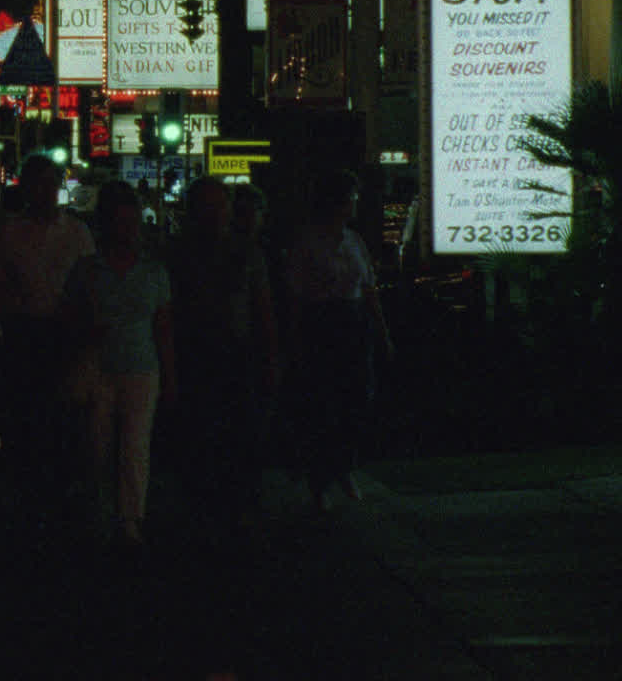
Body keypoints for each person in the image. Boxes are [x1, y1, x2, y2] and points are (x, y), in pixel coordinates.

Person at [65, 178, 175, 546]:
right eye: (121, 222)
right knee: (97, 446)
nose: (128, 231)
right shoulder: (88, 270)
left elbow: (162, 326)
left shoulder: (153, 271)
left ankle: (130, 517)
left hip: (141, 367)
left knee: (134, 447)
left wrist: (169, 374)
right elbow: (70, 318)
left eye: (133, 223)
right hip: (98, 366)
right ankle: (100, 512)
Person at [167, 177, 278, 531]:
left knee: (236, 432)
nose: (214, 214)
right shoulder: (180, 253)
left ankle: (232, 502)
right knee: (203, 433)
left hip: (234, 353)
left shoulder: (244, 252)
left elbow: (262, 309)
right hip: (196, 353)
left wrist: (270, 354)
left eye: (219, 206)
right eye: (207, 207)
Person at [0, 154, 96, 499]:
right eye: (38, 185)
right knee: (27, 413)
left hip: (66, 334)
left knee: (65, 413)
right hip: (25, 333)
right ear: (26, 189)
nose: (45, 192)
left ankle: (60, 486)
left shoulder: (77, 232)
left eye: (51, 184)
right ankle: (28, 488)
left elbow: (92, 284)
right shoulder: (11, 233)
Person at [284, 168, 393, 511]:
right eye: (351, 198)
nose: (355, 203)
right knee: (323, 404)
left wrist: (382, 332)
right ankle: (321, 478)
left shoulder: (353, 240)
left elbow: (369, 290)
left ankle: (343, 466)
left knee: (357, 399)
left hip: (353, 322)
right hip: (323, 325)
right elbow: (295, 296)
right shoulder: (309, 242)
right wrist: (293, 339)